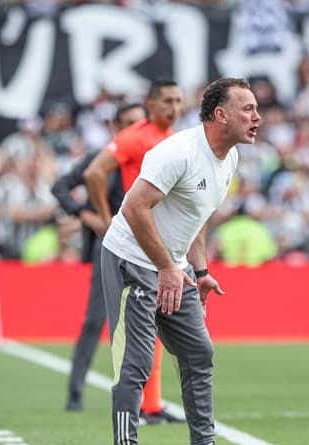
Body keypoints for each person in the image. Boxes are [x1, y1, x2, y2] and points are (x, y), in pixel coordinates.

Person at [99, 77, 261, 445]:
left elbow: (196, 217)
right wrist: (167, 267)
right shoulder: (178, 152)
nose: (257, 117)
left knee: (198, 352)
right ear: (220, 115)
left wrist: (199, 270)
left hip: (176, 268)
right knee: (135, 363)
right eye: (248, 109)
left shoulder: (230, 158)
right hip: (130, 260)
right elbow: (135, 208)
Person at [84, 78, 184, 424]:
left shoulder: (172, 140)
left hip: (160, 240)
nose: (174, 108)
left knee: (156, 325)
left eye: (178, 101)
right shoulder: (134, 137)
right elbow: (94, 173)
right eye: (167, 101)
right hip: (135, 241)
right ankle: (135, 409)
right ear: (151, 105)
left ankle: (151, 406)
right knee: (134, 329)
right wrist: (105, 218)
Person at [51, 101, 147, 411]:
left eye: (140, 123)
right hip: (107, 250)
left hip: (146, 250)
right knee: (96, 321)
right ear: (115, 128)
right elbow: (61, 186)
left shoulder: (154, 158)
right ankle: (75, 392)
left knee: (151, 323)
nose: (136, 130)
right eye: (129, 123)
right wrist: (86, 216)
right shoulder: (99, 160)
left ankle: (149, 401)